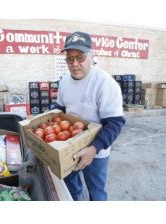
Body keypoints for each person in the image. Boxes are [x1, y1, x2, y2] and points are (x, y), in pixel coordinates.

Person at [53, 31, 126, 201]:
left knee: (96, 191)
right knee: (71, 188)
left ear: (91, 56)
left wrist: (93, 150)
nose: (75, 63)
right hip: (68, 147)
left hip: (96, 151)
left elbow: (115, 123)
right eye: (70, 58)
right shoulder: (64, 81)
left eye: (80, 57)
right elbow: (60, 109)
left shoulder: (105, 83)